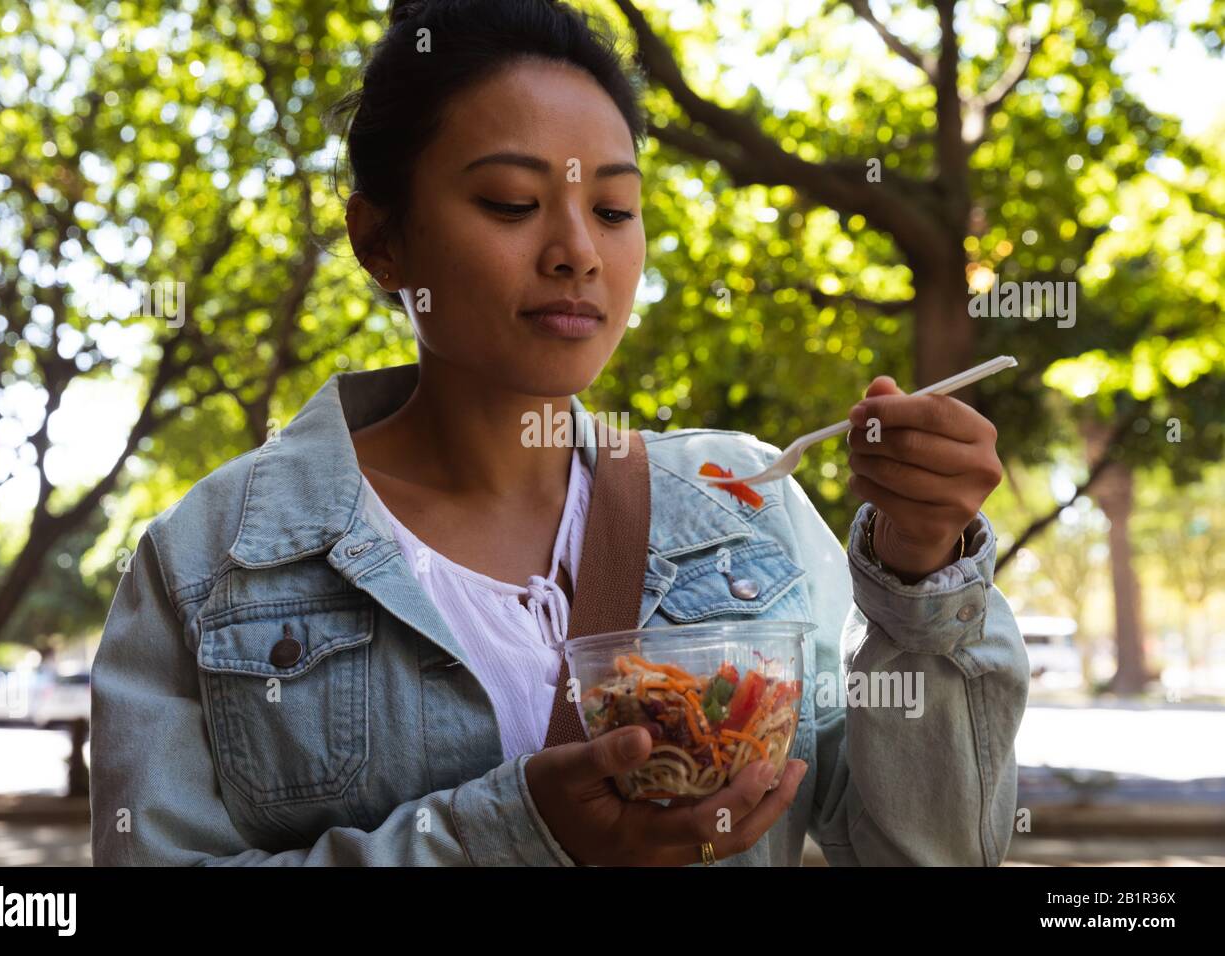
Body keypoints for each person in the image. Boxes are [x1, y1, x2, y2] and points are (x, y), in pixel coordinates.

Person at [89, 0, 1028, 867]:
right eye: (510, 202)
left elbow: (927, 853)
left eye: (615, 210)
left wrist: (922, 570)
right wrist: (515, 838)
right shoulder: (212, 567)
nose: (580, 249)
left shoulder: (746, 511)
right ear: (380, 242)